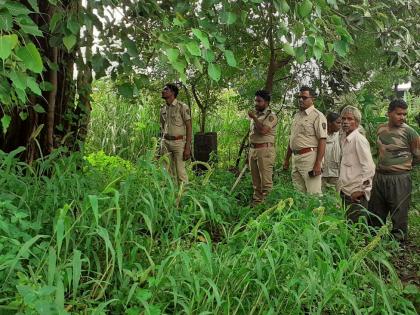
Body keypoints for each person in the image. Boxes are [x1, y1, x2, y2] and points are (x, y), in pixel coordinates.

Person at [369, 99, 420, 241]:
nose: (402, 117)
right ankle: (373, 241)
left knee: (399, 213)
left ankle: (397, 244)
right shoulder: (380, 129)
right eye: (399, 114)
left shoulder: (410, 133)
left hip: (400, 178)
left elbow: (418, 156)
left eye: (404, 114)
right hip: (380, 177)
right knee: (375, 211)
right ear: (389, 113)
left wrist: (401, 166)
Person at [283, 86, 327, 194]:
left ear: (313, 99)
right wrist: (286, 159)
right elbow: (292, 139)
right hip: (296, 158)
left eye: (304, 97)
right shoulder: (297, 116)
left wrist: (318, 163)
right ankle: (302, 211)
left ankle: (316, 211)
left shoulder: (317, 116)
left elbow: (322, 140)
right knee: (298, 194)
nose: (301, 100)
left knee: (314, 194)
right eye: (299, 97)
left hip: (309, 158)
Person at [339, 106, 375, 223]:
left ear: (357, 122)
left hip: (356, 194)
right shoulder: (344, 138)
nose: (345, 122)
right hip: (346, 191)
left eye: (350, 119)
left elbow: (369, 168)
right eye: (343, 118)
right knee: (349, 227)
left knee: (358, 230)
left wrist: (362, 190)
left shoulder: (359, 140)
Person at [248, 90, 277, 205]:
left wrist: (254, 118)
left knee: (266, 183)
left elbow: (263, 131)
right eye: (255, 100)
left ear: (266, 102)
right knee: (256, 182)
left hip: (265, 151)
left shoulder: (271, 116)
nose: (256, 103)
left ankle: (268, 208)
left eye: (259, 101)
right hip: (253, 150)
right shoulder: (257, 115)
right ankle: (257, 205)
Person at [160, 83, 192, 184]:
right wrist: (160, 144)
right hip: (165, 142)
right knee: (167, 171)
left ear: (173, 92)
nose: (163, 91)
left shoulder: (182, 107)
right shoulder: (163, 109)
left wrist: (187, 147)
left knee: (180, 171)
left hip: (179, 143)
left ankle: (184, 196)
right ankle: (171, 195)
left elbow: (189, 127)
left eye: (166, 89)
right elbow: (162, 127)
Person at [322, 112, 342, 191]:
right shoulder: (321, 134)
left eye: (340, 123)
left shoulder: (340, 135)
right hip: (322, 172)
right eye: (338, 123)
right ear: (329, 123)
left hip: (336, 172)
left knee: (335, 198)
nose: (340, 125)